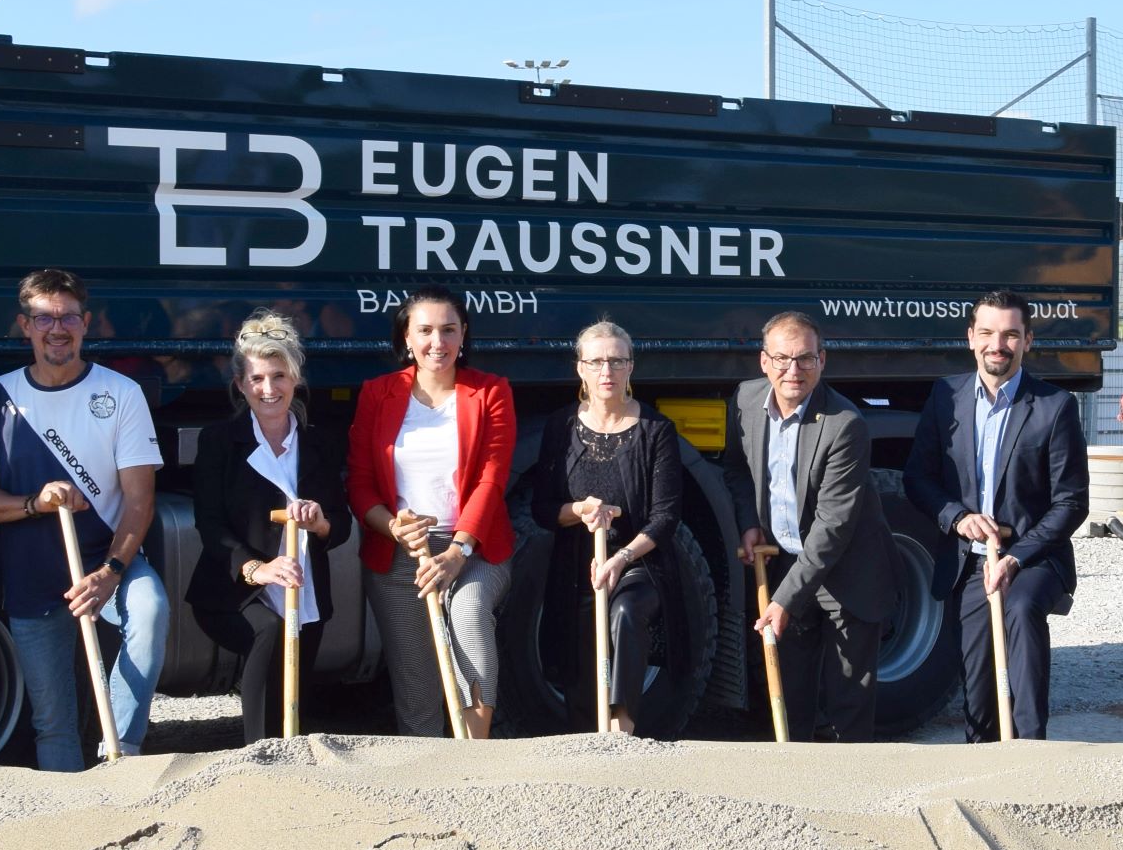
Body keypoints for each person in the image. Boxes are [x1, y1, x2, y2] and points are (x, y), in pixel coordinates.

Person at [0, 269, 168, 769]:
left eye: (68, 316)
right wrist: (33, 503)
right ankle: (72, 830)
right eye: (44, 317)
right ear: (24, 325)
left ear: (86, 323)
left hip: (106, 560)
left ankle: (122, 755)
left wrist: (111, 573)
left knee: (151, 610)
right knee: (53, 723)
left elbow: (140, 500)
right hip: (33, 573)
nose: (57, 328)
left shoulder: (121, 393)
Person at [905, 290, 1090, 741]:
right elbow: (918, 478)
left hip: (1033, 556)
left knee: (1022, 608)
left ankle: (1029, 748)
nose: (998, 344)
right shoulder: (945, 396)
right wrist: (956, 517)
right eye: (987, 333)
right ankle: (983, 757)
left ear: (1027, 340)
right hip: (969, 561)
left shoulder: (1054, 406)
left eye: (1010, 334)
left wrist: (1015, 557)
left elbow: (1072, 502)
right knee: (978, 685)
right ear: (971, 338)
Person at [347, 288, 517, 739]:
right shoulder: (376, 394)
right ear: (407, 337)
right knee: (416, 685)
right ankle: (427, 777)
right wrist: (392, 525)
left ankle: (476, 761)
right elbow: (360, 483)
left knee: (469, 617)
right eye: (424, 330)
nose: (436, 342)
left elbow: (491, 479)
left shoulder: (491, 392)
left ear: (464, 336)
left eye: (448, 329)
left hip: (473, 549)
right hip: (400, 552)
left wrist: (458, 551)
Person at [720, 311, 895, 742]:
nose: (792, 371)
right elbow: (736, 470)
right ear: (764, 362)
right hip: (786, 566)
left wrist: (782, 601)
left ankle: (852, 798)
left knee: (846, 710)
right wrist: (749, 524)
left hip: (848, 575)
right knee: (788, 701)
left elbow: (833, 526)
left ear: (823, 361)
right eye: (781, 359)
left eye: (804, 359)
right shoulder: (744, 400)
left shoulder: (844, 424)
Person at [186, 311, 353, 746]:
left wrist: (320, 524)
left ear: (295, 379)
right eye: (257, 378)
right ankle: (258, 755)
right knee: (269, 631)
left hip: (305, 589)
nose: (268, 389)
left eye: (279, 376)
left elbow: (341, 525)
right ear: (241, 384)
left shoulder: (318, 443)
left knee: (298, 696)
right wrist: (256, 569)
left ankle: (294, 767)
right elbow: (210, 523)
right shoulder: (219, 442)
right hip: (232, 591)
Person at [533, 320, 686, 735]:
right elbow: (543, 510)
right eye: (597, 361)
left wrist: (620, 558)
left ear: (631, 367)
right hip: (576, 564)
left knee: (625, 612)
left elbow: (665, 517)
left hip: (639, 560)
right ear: (580, 368)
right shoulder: (560, 427)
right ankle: (587, 741)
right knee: (580, 658)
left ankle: (623, 726)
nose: (607, 371)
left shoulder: (656, 430)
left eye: (617, 361)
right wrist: (578, 510)